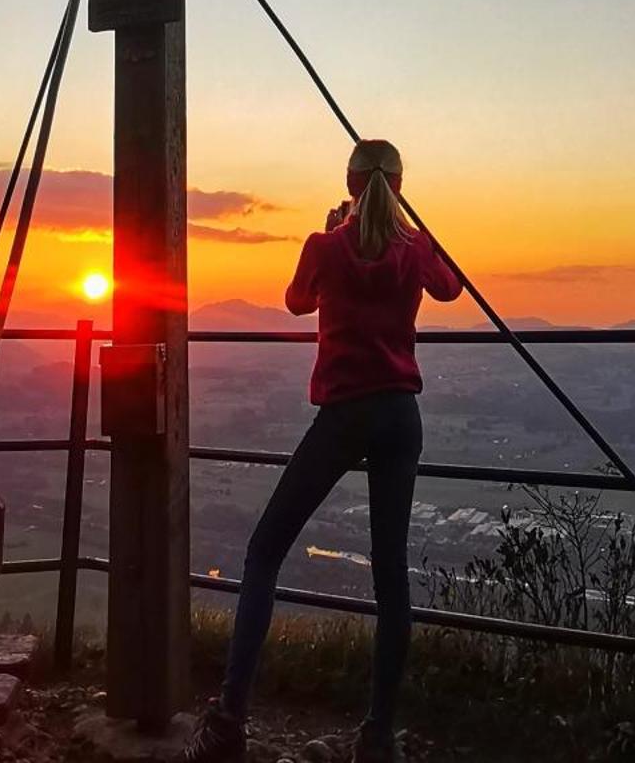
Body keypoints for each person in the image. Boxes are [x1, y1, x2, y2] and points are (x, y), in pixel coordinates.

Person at [185, 139, 463, 763]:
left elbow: (296, 301)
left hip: (343, 415)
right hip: (400, 416)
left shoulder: (326, 246)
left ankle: (229, 721)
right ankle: (377, 736)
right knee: (391, 576)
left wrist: (333, 230)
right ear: (398, 184)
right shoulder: (414, 248)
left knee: (264, 552)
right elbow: (451, 289)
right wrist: (414, 226)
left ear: (349, 182)